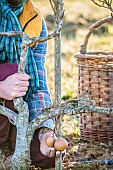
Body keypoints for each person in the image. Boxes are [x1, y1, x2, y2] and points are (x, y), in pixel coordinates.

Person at [0, 0, 64, 169]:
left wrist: (45, 132)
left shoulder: (33, 19)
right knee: (10, 71)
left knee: (47, 155)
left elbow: (38, 85)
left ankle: (8, 152)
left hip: (16, 114)